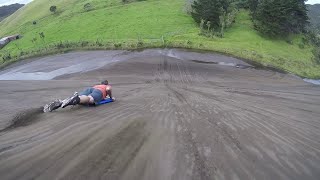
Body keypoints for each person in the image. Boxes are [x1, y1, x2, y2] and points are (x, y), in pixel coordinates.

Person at [43, 80, 114, 112]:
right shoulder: (106, 86)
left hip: (90, 89)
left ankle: (62, 102)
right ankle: (74, 99)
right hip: (99, 92)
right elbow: (108, 89)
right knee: (90, 99)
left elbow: (94, 91)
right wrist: (111, 97)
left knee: (81, 97)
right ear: (106, 84)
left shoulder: (97, 85)